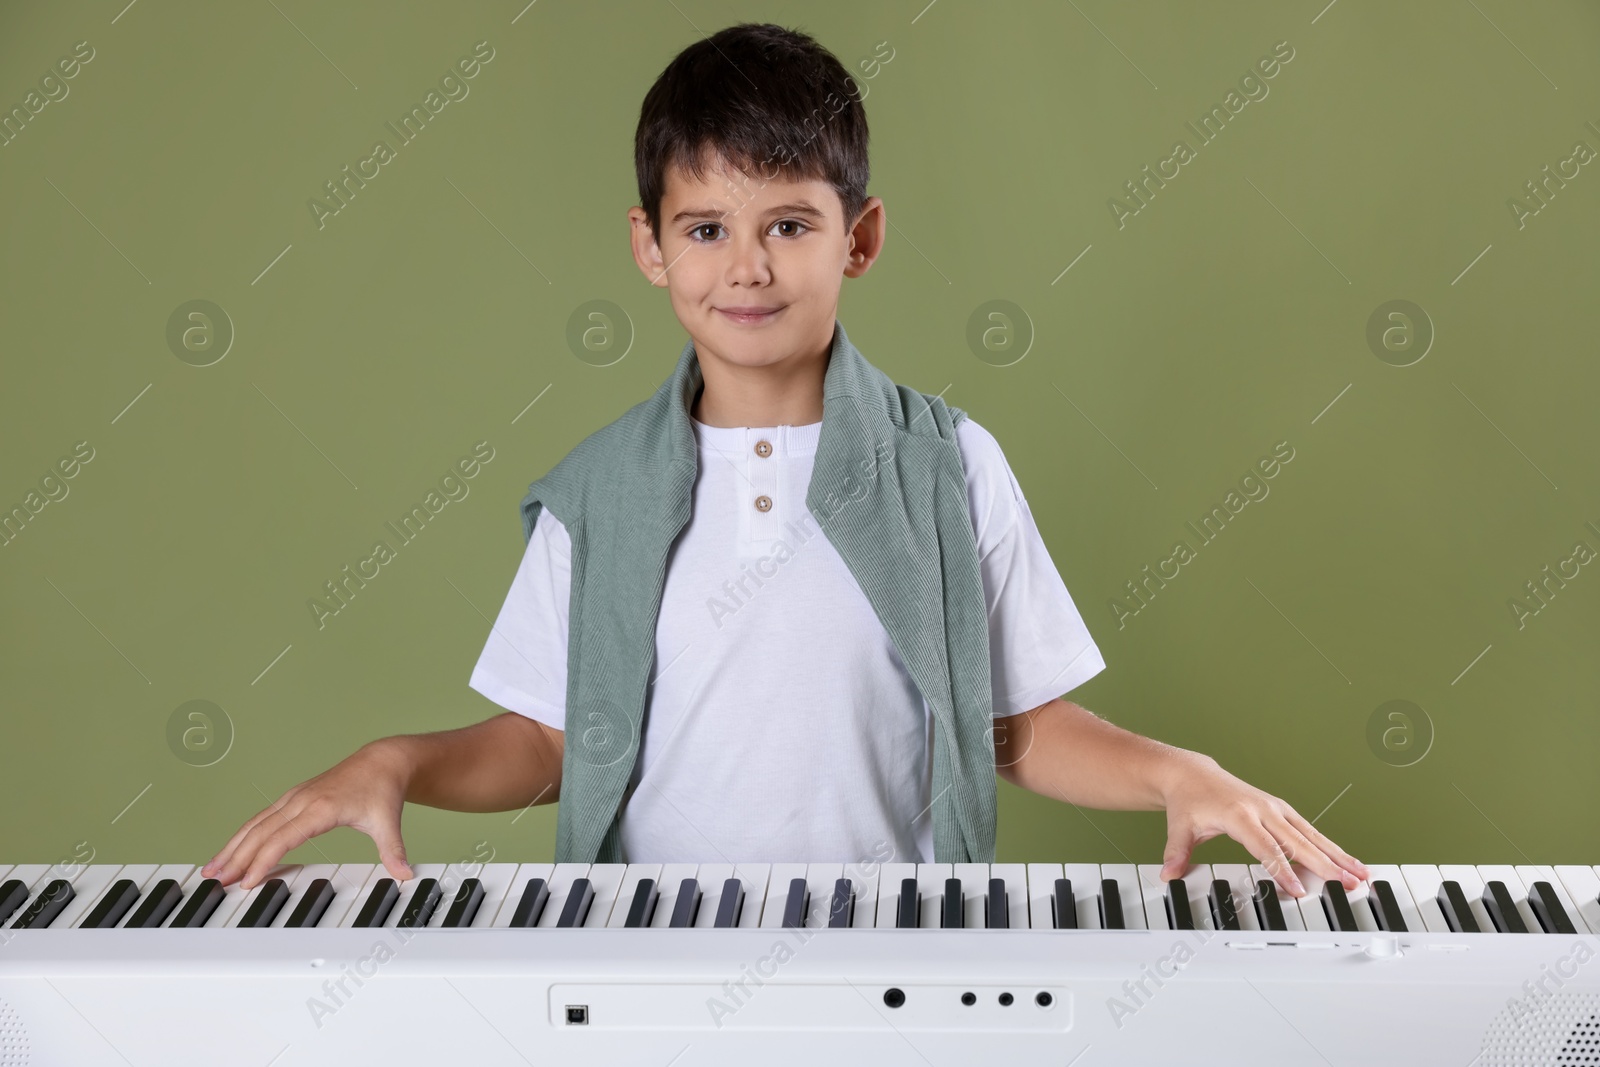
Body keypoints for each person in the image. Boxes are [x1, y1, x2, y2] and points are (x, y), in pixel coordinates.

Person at [205, 22, 1366, 900]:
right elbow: (551, 741)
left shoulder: (950, 466)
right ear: (650, 247)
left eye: (789, 225)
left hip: (897, 959)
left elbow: (1009, 725)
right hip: (647, 969)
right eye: (705, 228)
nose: (746, 267)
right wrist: (396, 759)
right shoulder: (595, 496)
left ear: (856, 238)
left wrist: (1178, 770)